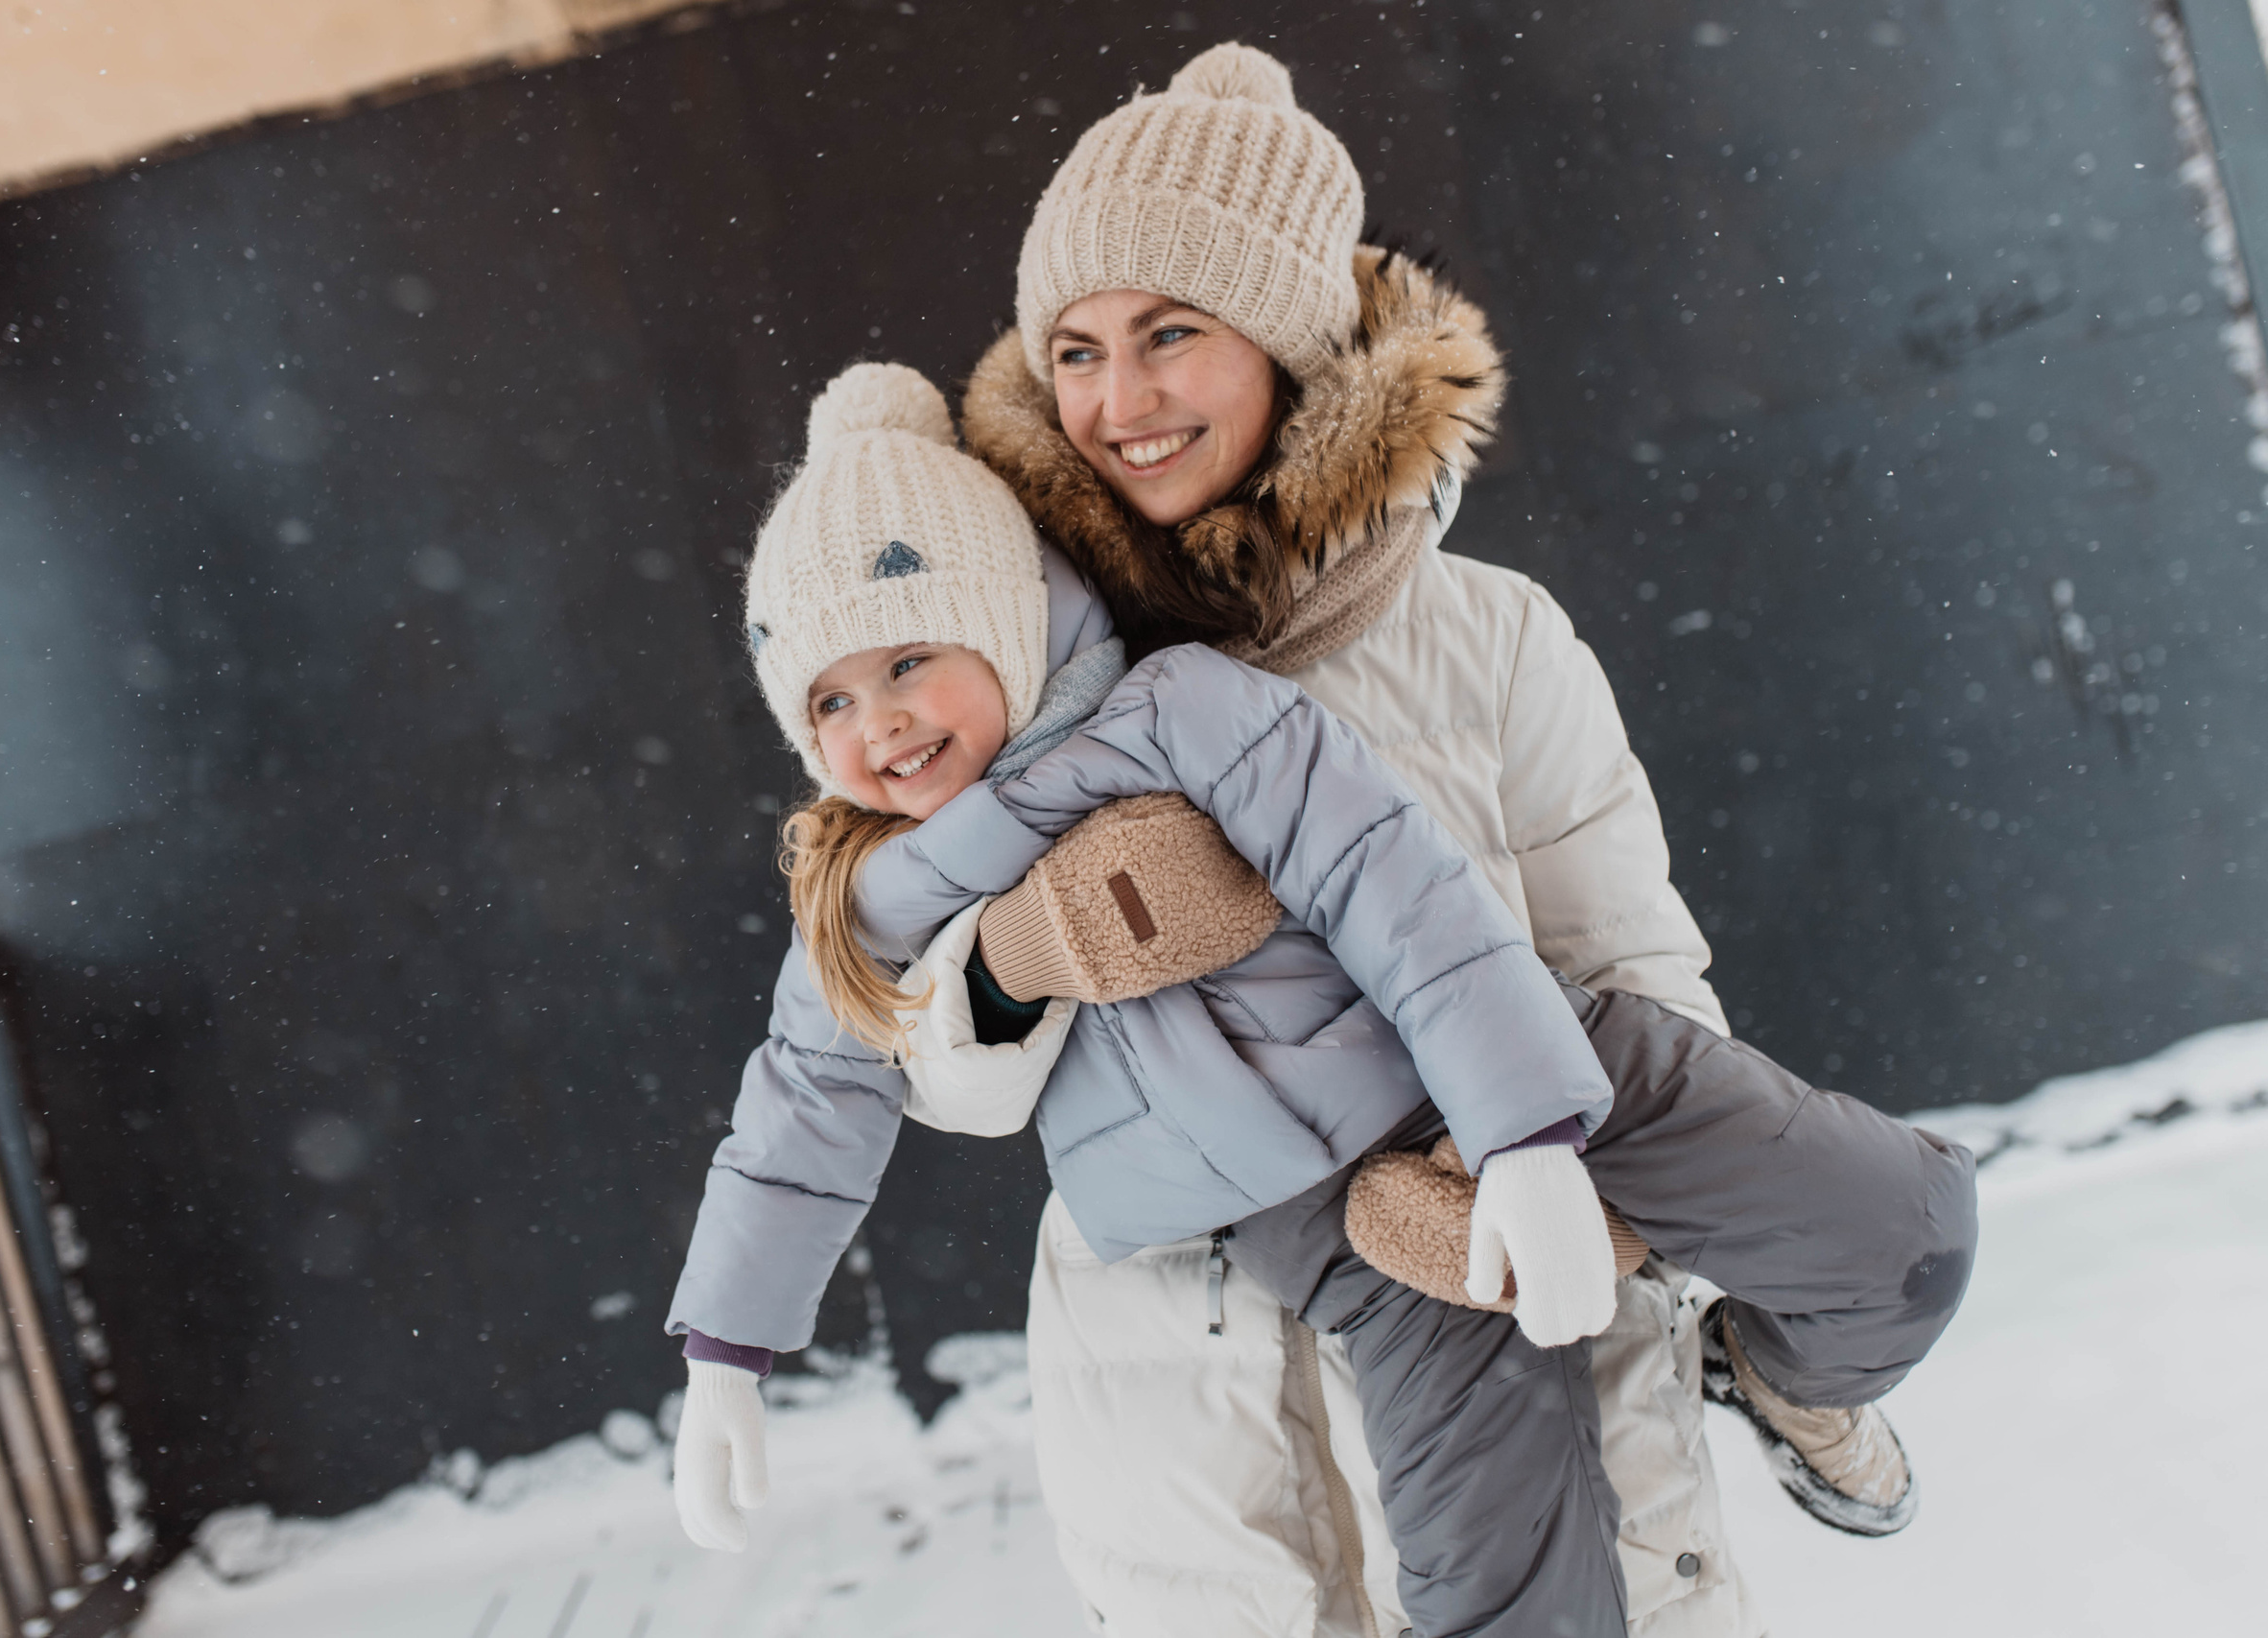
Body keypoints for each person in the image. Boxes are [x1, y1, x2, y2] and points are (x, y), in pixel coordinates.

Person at [663, 361, 1977, 1638]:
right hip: (1320, 1218)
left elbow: (1389, 878)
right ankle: (1440, 1250)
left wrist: (1521, 1132)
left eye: (908, 659)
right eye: (827, 696)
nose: (876, 721)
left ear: (1005, 612)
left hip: (1501, 1051)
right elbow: (800, 1108)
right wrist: (728, 1349)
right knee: (1509, 1578)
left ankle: (1762, 1362)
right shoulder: (876, 897)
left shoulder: (1181, 707)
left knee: (1908, 1228)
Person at [944, 40, 1974, 1635]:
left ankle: (1776, 1376)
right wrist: (1016, 958)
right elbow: (933, 1068)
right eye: (1075, 348)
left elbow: (1628, 962)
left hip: (1514, 1269)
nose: (1118, 402)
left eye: (1172, 335)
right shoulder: (998, 675)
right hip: (1200, 1389)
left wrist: (1605, 1197)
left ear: (1288, 347)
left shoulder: (1488, 636)